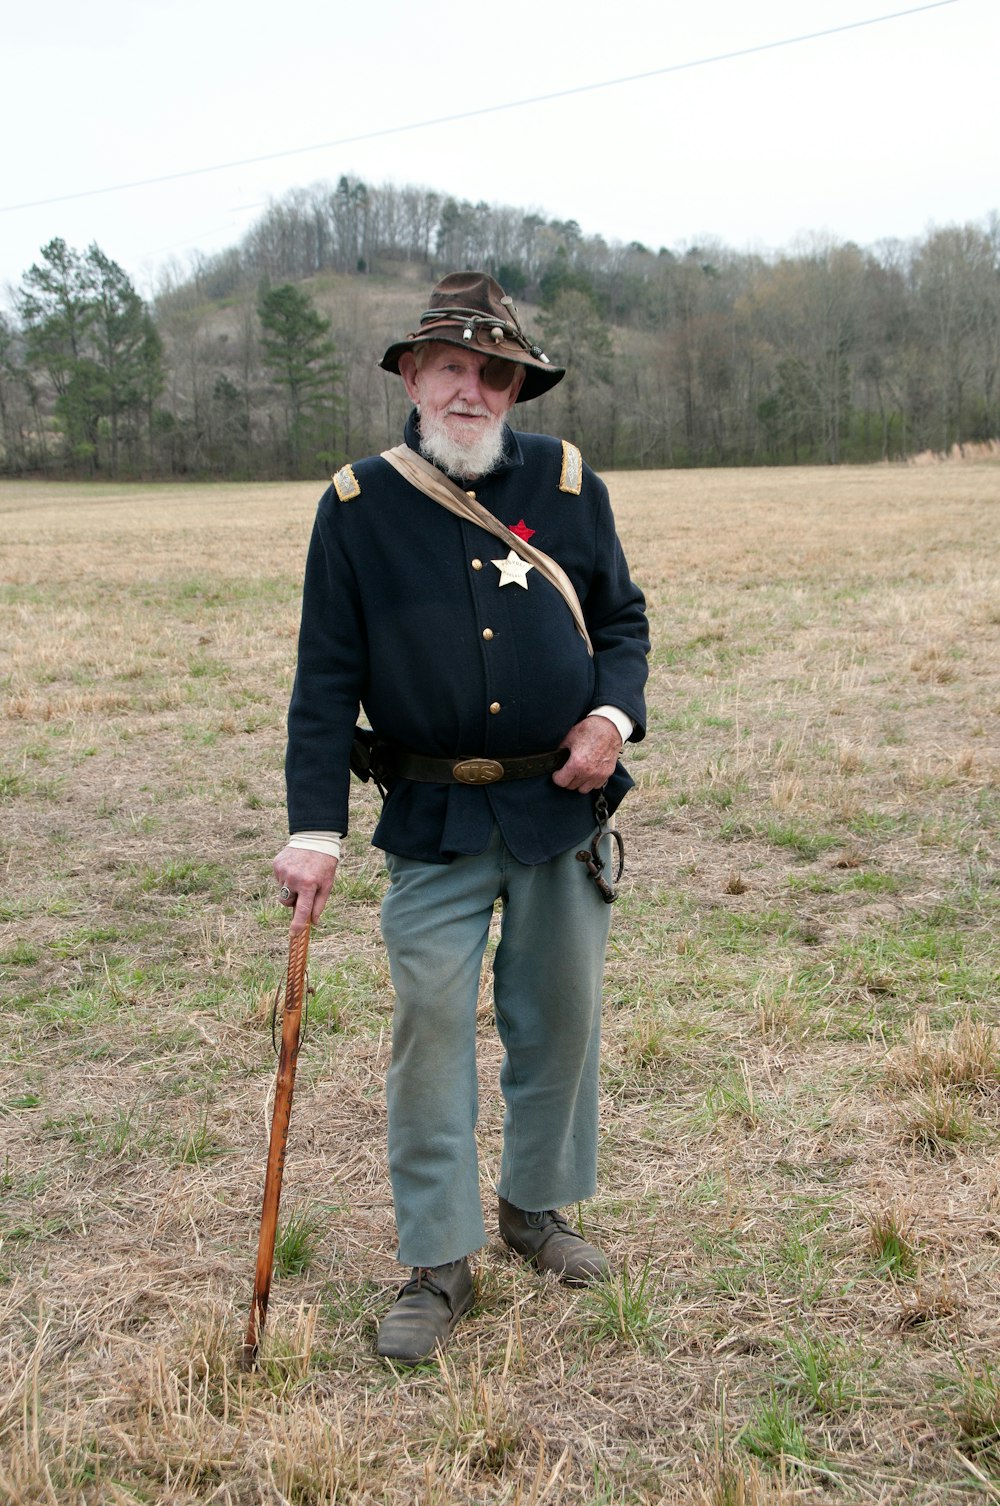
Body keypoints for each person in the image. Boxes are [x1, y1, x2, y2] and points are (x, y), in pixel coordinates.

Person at [273, 270, 649, 1364]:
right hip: (431, 821)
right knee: (429, 1036)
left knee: (560, 1021)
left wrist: (612, 718)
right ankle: (437, 1262)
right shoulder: (356, 505)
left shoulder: (571, 486)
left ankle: (537, 1213)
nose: (474, 389)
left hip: (558, 809)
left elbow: (621, 620)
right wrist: (316, 827)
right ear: (411, 375)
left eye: (496, 372)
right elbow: (322, 675)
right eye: (452, 367)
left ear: (516, 387)